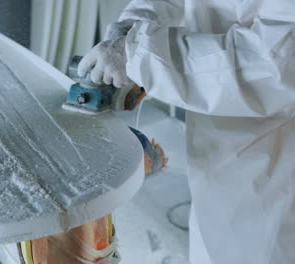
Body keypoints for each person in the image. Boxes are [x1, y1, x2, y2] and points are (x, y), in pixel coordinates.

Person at [78, 0, 295, 263]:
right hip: (217, 146)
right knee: (214, 238)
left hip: (273, 155)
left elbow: (279, 62)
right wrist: (133, 23)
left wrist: (142, 55)